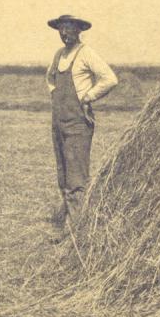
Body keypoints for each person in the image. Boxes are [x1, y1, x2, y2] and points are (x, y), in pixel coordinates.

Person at [46, 14, 118, 228]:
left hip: (78, 122)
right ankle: (69, 220)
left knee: (76, 177)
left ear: (78, 31)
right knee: (63, 173)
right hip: (58, 121)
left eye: (69, 29)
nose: (65, 33)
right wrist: (55, 94)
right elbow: (50, 77)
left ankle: (78, 229)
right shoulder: (59, 54)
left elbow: (110, 79)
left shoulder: (86, 53)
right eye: (61, 29)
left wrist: (87, 97)